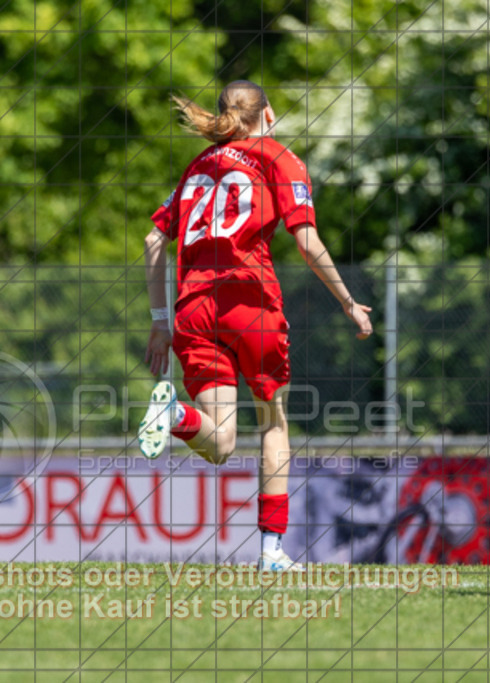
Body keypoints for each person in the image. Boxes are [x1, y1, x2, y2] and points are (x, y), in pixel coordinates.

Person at [138, 80, 373, 571]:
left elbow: (153, 240)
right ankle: (270, 553)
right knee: (273, 422)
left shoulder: (197, 167)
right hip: (250, 304)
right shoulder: (277, 156)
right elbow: (306, 242)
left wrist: (160, 323)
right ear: (266, 114)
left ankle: (175, 417)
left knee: (220, 443)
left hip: (194, 309)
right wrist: (349, 301)